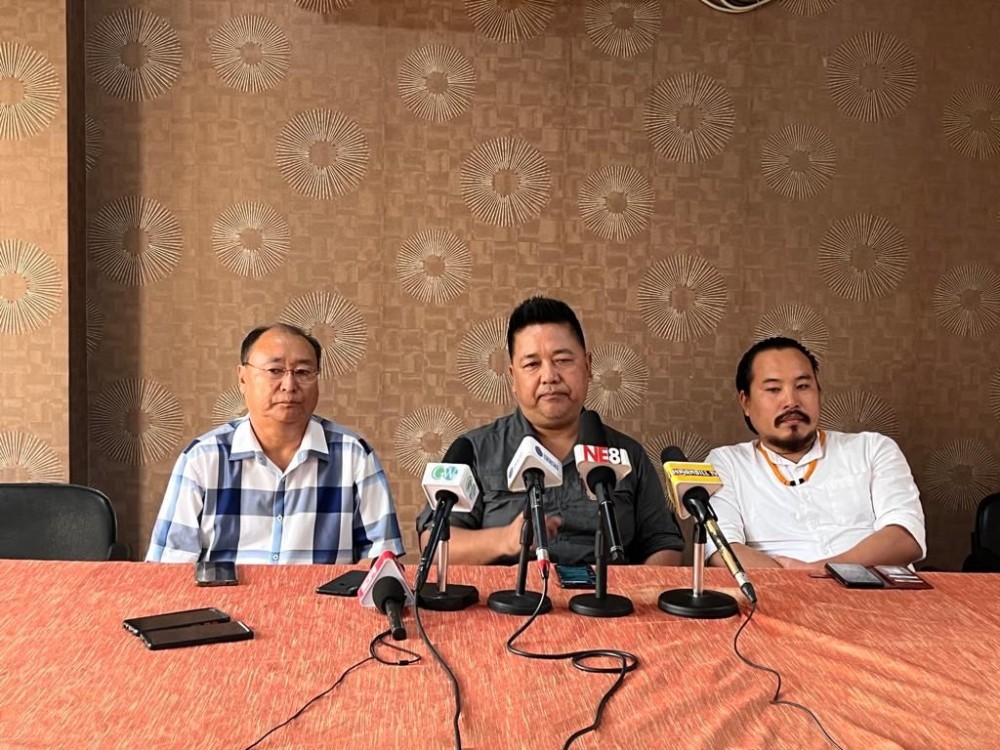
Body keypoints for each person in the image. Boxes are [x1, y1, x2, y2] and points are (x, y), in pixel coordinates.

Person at [416, 296, 684, 566]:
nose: (549, 376)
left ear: (588, 366)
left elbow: (663, 544)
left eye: (563, 360)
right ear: (513, 377)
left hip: (606, 602)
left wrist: (637, 593)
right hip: (510, 602)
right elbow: (434, 543)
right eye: (532, 364)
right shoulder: (476, 451)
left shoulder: (627, 454)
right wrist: (506, 540)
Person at [146, 323, 404, 564]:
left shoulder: (354, 456)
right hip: (224, 609)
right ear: (242, 377)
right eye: (275, 371)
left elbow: (381, 564)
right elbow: (169, 570)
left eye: (303, 372)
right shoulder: (203, 459)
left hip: (321, 608)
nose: (289, 385)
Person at [705, 336, 926, 571]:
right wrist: (799, 583)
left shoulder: (873, 449)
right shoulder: (726, 464)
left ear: (818, 392)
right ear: (746, 402)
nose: (791, 401)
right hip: (779, 597)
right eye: (773, 389)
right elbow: (722, 549)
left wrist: (822, 570)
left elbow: (905, 537)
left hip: (880, 596)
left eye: (802, 386)